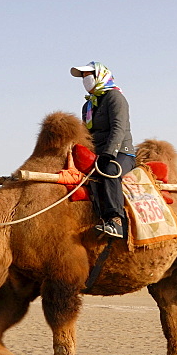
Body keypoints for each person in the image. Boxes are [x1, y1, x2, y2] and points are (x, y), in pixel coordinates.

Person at [70, 61, 135, 239]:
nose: (85, 80)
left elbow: (118, 128)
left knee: (109, 171)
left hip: (121, 152)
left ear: (99, 75)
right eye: (83, 77)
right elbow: (87, 134)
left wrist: (109, 153)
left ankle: (116, 220)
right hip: (98, 153)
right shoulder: (88, 106)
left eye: (87, 76)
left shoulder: (115, 97)